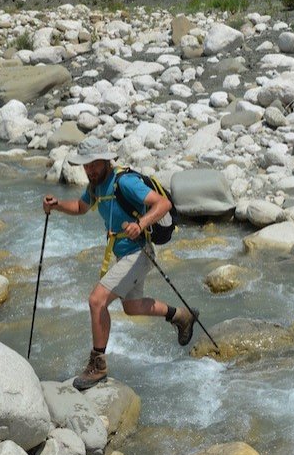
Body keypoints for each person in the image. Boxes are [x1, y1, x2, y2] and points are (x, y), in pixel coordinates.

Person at [41, 137, 195, 390]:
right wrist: (57, 205)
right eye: (85, 165)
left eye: (93, 164)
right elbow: (80, 207)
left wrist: (141, 224)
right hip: (124, 254)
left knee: (96, 300)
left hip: (139, 252)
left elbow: (163, 203)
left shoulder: (125, 182)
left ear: (105, 160)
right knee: (132, 307)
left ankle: (97, 366)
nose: (89, 170)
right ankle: (181, 316)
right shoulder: (95, 186)